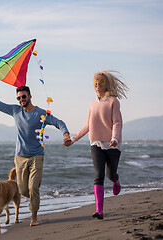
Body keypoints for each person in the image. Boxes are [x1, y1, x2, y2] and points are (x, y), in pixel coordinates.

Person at [0, 75, 72, 226]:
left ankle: (34, 217)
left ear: (30, 96)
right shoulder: (15, 111)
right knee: (23, 190)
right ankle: (33, 195)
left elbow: (58, 122)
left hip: (37, 156)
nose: (21, 100)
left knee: (33, 188)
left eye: (24, 97)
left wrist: (66, 134)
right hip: (20, 157)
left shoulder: (40, 113)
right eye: (19, 98)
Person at [70, 70, 128, 220]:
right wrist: (74, 138)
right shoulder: (92, 104)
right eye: (96, 81)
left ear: (107, 84)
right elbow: (88, 125)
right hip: (95, 143)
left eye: (101, 81)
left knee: (110, 174)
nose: (98, 84)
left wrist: (115, 138)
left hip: (112, 144)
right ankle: (99, 210)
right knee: (98, 176)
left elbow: (117, 122)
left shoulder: (113, 101)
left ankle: (115, 180)